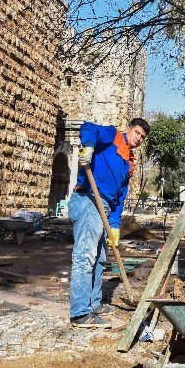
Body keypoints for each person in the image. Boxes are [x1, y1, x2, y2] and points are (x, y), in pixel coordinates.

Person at [68, 117, 150, 329]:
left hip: (106, 207)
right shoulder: (112, 136)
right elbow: (88, 128)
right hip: (89, 200)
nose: (138, 138)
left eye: (142, 137)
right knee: (85, 257)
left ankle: (94, 305)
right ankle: (80, 313)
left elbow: (120, 195)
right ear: (129, 129)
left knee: (100, 259)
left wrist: (115, 224)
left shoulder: (128, 162)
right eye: (137, 133)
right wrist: (89, 148)